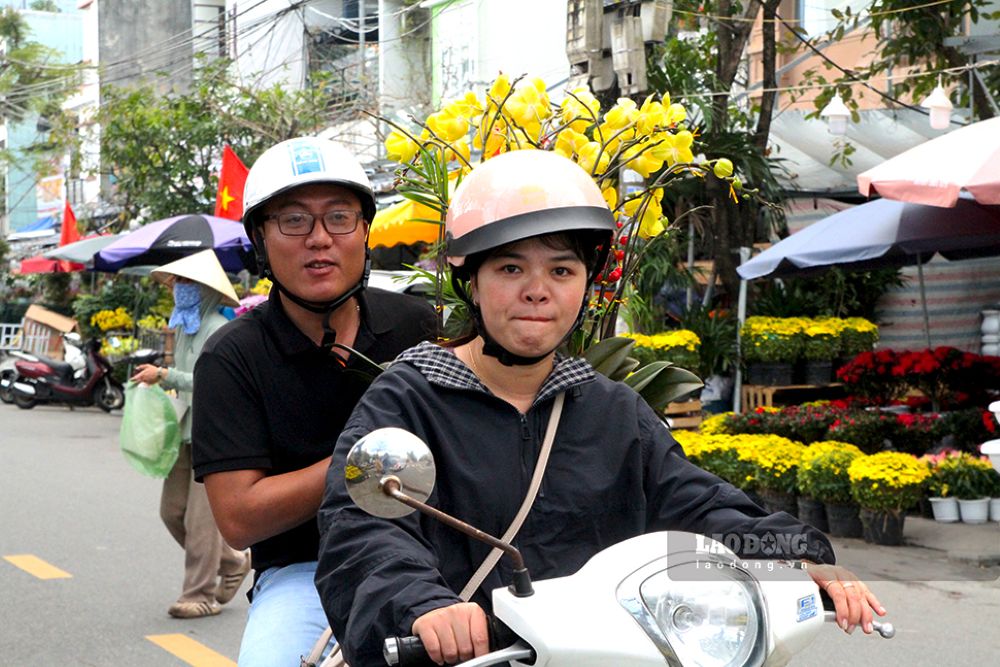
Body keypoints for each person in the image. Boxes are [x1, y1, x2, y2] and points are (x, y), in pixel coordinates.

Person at [315, 150, 887, 666]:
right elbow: (365, 531)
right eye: (511, 268)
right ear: (470, 279)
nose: (538, 290)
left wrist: (794, 555)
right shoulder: (410, 398)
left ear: (587, 285)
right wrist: (424, 605)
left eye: (561, 270)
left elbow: (695, 505)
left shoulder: (611, 410)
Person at [191, 137, 437, 665]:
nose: (320, 239)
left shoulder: (420, 326)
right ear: (260, 239)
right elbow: (238, 518)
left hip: (433, 556)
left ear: (365, 231)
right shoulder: (231, 358)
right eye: (294, 221)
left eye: (339, 217)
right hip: (307, 573)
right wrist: (366, 466)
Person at [131, 249, 251, 619]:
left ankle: (200, 594)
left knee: (201, 523)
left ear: (206, 290)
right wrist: (162, 377)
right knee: (172, 512)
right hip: (184, 430)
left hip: (214, 436)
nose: (179, 289)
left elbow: (210, 382)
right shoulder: (185, 327)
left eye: (187, 283)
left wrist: (165, 376)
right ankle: (232, 562)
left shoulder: (217, 327)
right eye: (178, 283)